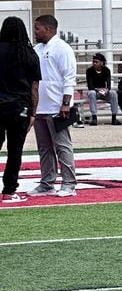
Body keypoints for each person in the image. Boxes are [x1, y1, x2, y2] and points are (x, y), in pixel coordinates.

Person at [29, 14, 78, 197]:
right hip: (40, 106)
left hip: (57, 106)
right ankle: (47, 182)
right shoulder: (36, 49)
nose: (35, 32)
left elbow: (69, 78)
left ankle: (69, 183)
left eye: (37, 28)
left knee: (62, 146)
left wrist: (66, 103)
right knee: (44, 148)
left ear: (48, 29)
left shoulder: (62, 49)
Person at [0, 17, 41, 203]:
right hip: (19, 106)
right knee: (15, 150)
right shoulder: (29, 54)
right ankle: (9, 190)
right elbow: (34, 87)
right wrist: (33, 112)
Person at [85, 53, 119, 125]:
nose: (94, 63)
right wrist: (98, 90)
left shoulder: (106, 70)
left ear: (101, 62)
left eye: (96, 62)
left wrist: (106, 90)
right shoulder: (89, 71)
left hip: (104, 92)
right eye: (93, 62)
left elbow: (109, 85)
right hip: (95, 91)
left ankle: (114, 118)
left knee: (113, 93)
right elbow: (90, 86)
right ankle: (94, 118)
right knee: (91, 93)